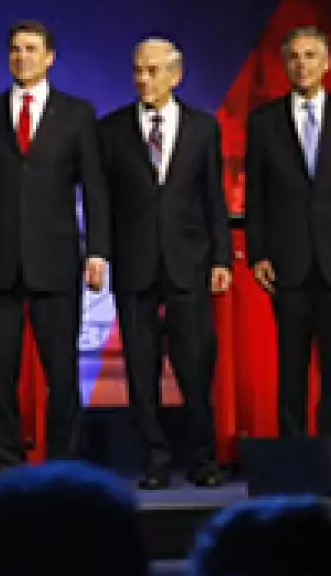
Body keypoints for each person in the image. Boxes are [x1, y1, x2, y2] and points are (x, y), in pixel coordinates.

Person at [0, 20, 109, 468]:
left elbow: (93, 188)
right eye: (15, 50)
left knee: (61, 371)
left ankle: (63, 461)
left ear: (50, 57)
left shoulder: (76, 114)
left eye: (32, 49)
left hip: (56, 261)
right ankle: (5, 461)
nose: (22, 57)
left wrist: (97, 251)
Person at [245, 25, 331, 484]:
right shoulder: (263, 122)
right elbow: (257, 198)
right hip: (287, 261)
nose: (301, 64)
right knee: (291, 365)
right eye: (294, 57)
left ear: (327, 64)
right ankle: (294, 456)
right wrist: (258, 253)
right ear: (286, 64)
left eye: (310, 56)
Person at [98, 38, 231, 489]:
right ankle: (154, 460)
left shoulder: (202, 128)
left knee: (195, 366)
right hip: (134, 264)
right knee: (141, 370)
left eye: (153, 71)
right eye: (138, 70)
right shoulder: (111, 130)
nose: (143, 79)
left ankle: (202, 459)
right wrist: (100, 253)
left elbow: (213, 198)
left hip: (188, 262)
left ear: (176, 75)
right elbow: (102, 203)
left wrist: (221, 257)